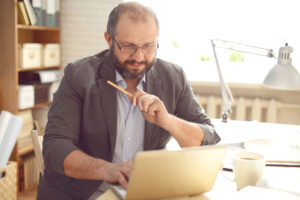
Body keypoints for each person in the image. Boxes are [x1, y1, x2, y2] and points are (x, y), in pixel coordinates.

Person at [37, 2, 221, 200]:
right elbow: (55, 147)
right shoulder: (78, 75)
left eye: (148, 46)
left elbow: (208, 140)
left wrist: (167, 121)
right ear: (109, 39)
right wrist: (109, 170)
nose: (139, 57)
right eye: (128, 46)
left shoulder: (174, 77)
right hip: (81, 194)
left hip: (143, 193)